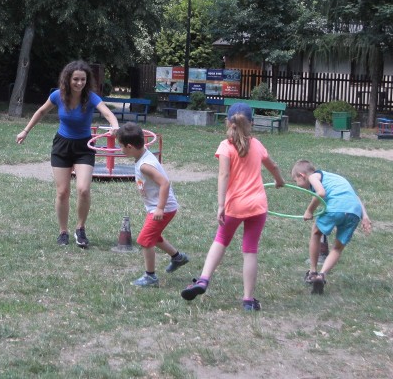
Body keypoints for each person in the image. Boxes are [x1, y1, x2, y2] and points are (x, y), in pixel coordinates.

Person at [180, 103, 285, 311]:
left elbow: (223, 175)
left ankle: (203, 280)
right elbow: (273, 165)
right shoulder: (257, 144)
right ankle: (248, 300)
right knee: (250, 250)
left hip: (235, 206)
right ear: (251, 123)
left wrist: (221, 205)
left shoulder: (225, 146)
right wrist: (279, 181)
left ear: (228, 122)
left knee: (220, 240)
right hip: (257, 205)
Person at [16, 60, 119, 248]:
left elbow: (107, 112)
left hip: (84, 147)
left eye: (83, 79)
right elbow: (40, 111)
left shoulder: (91, 97)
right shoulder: (58, 96)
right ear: (68, 79)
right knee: (62, 192)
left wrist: (115, 125)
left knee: (83, 189)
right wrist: (25, 130)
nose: (79, 83)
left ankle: (80, 228)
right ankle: (63, 231)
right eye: (76, 79)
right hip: (62, 146)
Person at [117, 122, 189, 287]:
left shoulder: (145, 165)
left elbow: (164, 183)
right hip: (158, 207)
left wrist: (160, 208)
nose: (120, 150)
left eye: (121, 146)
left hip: (164, 208)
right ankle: (178, 257)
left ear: (129, 146)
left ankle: (150, 277)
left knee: (144, 240)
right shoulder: (142, 156)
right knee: (154, 237)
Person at [291, 159, 372, 294]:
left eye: (296, 181)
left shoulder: (313, 176)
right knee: (338, 247)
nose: (298, 185)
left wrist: (309, 210)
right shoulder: (334, 178)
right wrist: (365, 216)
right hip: (354, 212)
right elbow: (355, 196)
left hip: (336, 207)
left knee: (316, 232)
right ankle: (321, 276)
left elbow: (321, 193)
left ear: (302, 175)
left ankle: (312, 272)